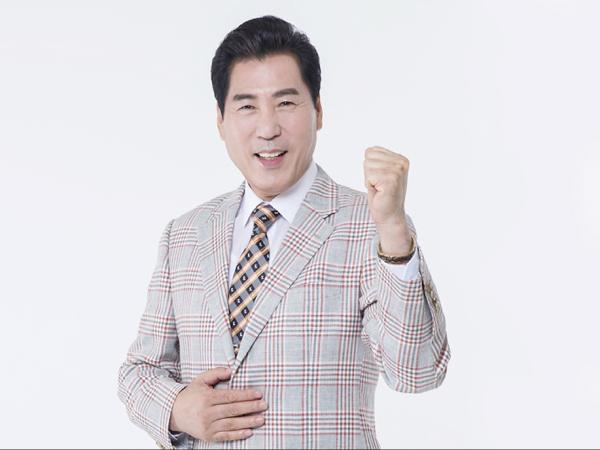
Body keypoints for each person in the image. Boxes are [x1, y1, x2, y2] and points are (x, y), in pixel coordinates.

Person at [117, 15, 450, 450]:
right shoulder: (185, 234)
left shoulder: (369, 222)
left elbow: (418, 372)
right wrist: (178, 408)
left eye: (286, 103)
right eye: (247, 106)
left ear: (318, 111)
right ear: (220, 120)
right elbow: (139, 372)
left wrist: (392, 227)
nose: (268, 128)